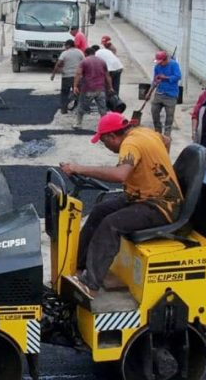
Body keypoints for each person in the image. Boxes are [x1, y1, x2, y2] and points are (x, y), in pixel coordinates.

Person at [58, 113, 181, 295]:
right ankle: (78, 267)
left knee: (111, 225)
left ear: (111, 136)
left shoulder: (130, 144)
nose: (106, 146)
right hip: (141, 197)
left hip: (161, 205)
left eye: (104, 142)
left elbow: (119, 175)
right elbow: (167, 140)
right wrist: (155, 167)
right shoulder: (143, 132)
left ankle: (90, 285)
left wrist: (79, 168)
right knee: (100, 211)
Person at [72, 46, 112, 130]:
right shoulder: (102, 61)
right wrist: (110, 87)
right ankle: (105, 126)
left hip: (88, 89)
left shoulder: (84, 61)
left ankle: (78, 124)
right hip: (101, 89)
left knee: (81, 106)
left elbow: (78, 74)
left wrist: (75, 86)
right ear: (94, 53)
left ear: (86, 54)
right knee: (102, 109)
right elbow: (107, 76)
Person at [151, 50, 182, 136]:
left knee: (169, 116)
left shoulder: (174, 65)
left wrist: (166, 78)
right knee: (154, 111)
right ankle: (158, 131)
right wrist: (150, 92)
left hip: (171, 94)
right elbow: (155, 80)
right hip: (160, 92)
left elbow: (178, 76)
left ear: (166, 59)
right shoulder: (157, 67)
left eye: (161, 62)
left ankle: (167, 134)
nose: (160, 64)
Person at [50, 39, 86, 114]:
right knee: (78, 93)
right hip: (78, 76)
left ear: (68, 45)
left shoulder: (64, 53)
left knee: (64, 93)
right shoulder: (80, 52)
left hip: (67, 76)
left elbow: (58, 63)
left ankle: (64, 109)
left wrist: (53, 74)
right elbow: (85, 63)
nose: (64, 47)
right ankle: (78, 109)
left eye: (65, 46)